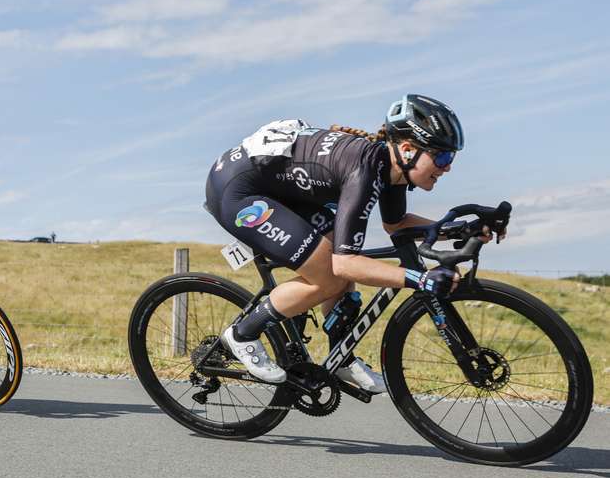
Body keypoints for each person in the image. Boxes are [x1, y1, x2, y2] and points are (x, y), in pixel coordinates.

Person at [205, 94, 499, 392]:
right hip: (238, 192)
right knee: (330, 276)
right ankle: (242, 335)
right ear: (408, 150)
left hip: (280, 188)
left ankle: (341, 358)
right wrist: (420, 279)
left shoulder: (391, 169)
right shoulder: (365, 171)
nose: (447, 167)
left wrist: (462, 229)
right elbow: (346, 264)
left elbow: (396, 225)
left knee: (339, 271)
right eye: (442, 157)